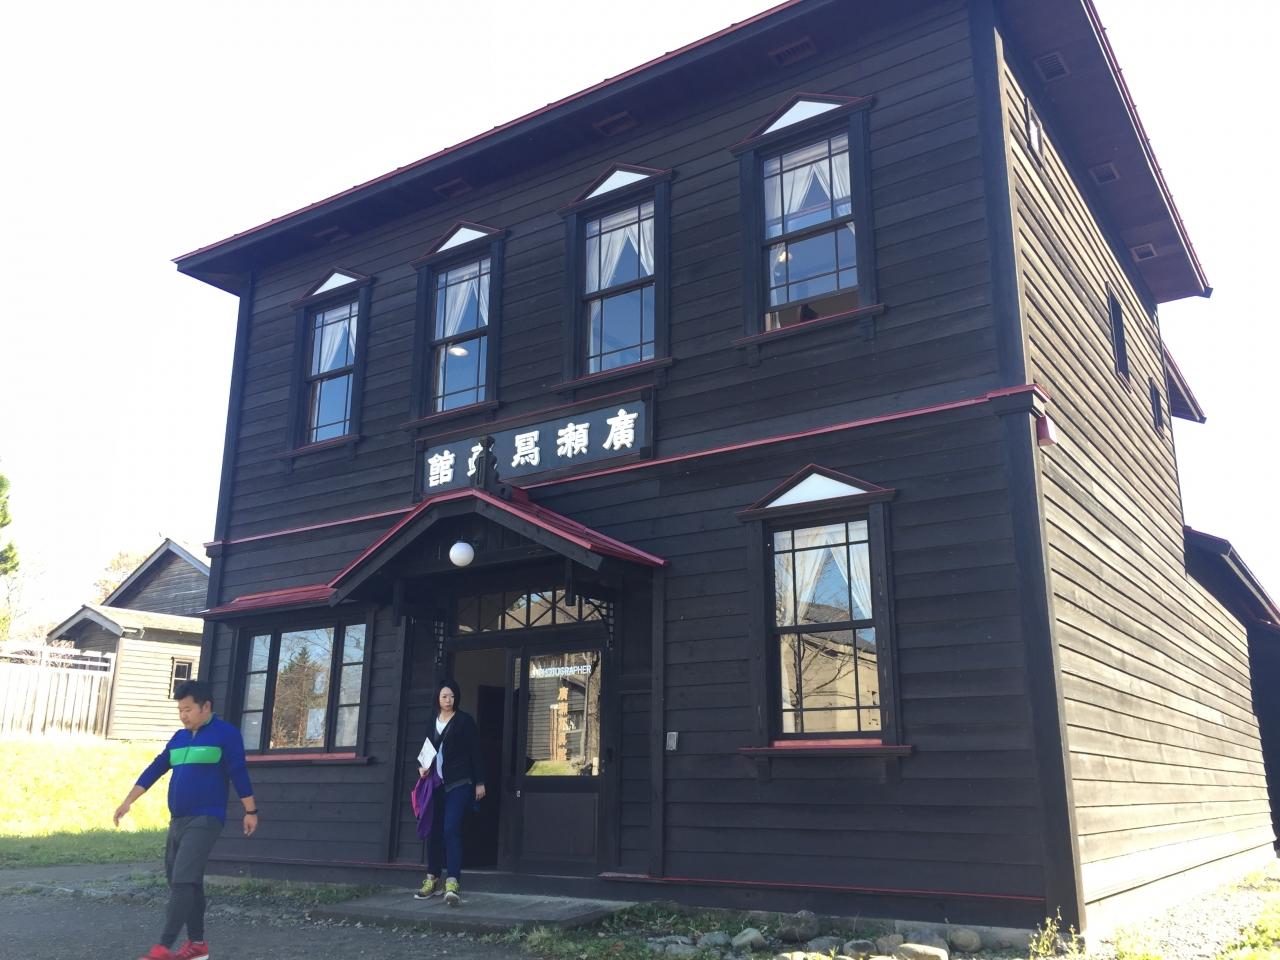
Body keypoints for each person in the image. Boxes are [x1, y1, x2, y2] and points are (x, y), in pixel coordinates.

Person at [114, 680, 257, 960]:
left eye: (188, 709)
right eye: (180, 710)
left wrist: (250, 811)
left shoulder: (225, 734)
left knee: (183, 880)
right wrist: (128, 800)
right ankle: (197, 945)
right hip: (178, 819)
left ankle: (162, 948)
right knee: (184, 882)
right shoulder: (179, 738)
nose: (183, 715)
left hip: (207, 817)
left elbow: (239, 772)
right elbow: (155, 768)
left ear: (206, 706)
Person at [414, 679, 485, 906]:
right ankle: (432, 879)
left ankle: (452, 882)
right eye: (444, 696)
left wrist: (480, 782)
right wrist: (422, 767)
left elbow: (475, 751)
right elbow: (427, 748)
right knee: (434, 831)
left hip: (460, 782)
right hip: (435, 783)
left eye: (452, 696)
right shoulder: (432, 721)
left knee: (450, 828)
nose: (448, 700)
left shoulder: (464, 721)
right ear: (437, 698)